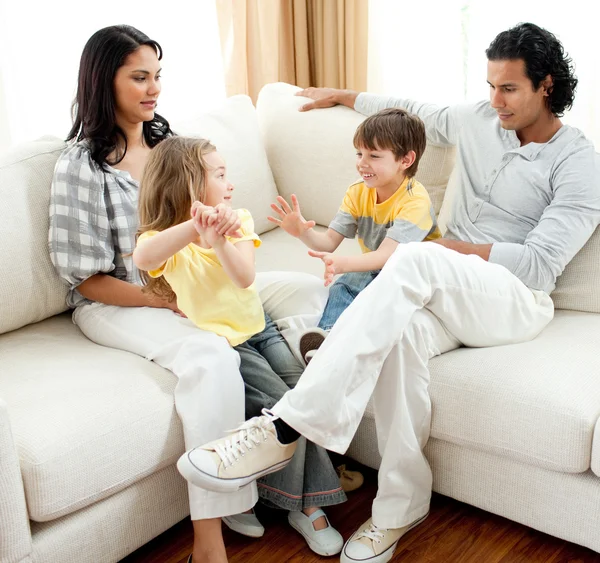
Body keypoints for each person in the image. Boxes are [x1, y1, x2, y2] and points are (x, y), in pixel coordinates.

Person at [171, 22, 600, 563]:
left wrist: (451, 249)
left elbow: (539, 267)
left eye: (509, 88)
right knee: (397, 335)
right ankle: (400, 508)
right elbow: (409, 106)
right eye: (490, 85)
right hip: (441, 292)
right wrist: (346, 96)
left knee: (414, 255)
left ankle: (283, 425)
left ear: (547, 86)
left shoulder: (579, 162)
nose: (495, 100)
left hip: (514, 300)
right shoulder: (478, 120)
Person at [47, 25, 313, 563]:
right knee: (211, 355)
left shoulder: (172, 145)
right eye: (139, 77)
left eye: (157, 76)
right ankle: (210, 537)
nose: (154, 89)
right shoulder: (81, 165)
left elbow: (215, 229)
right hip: (116, 301)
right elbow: (83, 277)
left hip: (196, 281)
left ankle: (289, 379)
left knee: (307, 289)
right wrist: (155, 298)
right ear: (104, 81)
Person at [133, 136, 346, 556]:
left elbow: (245, 278)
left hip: (258, 326)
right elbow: (143, 258)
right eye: (219, 174)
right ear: (189, 183)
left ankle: (279, 492)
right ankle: (309, 507)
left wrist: (220, 241)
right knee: (284, 403)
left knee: (303, 393)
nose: (229, 183)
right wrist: (196, 227)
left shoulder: (239, 220)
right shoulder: (166, 240)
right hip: (228, 344)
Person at [268, 108, 440, 363]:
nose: (362, 163)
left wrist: (343, 265)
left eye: (374, 155)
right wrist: (302, 232)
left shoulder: (415, 201)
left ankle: (336, 343)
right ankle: (325, 341)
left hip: (419, 271)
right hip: (380, 269)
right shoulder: (358, 192)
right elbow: (327, 243)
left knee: (354, 282)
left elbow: (386, 256)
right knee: (345, 287)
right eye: (359, 153)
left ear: (406, 160)